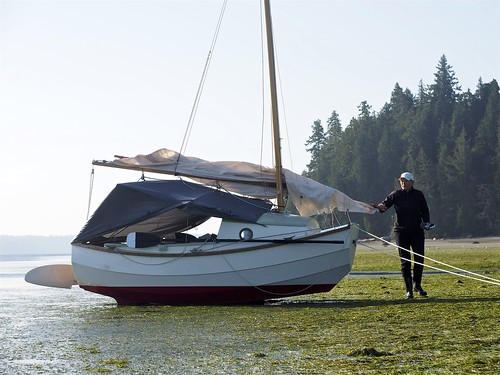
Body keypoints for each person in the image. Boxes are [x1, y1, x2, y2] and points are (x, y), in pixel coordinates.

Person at [373, 172, 432, 299]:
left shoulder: (419, 195)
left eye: (405, 181)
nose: (403, 183)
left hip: (417, 231)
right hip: (401, 232)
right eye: (401, 181)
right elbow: (384, 207)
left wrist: (426, 222)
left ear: (412, 182)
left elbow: (425, 211)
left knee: (419, 259)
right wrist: (380, 207)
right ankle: (409, 290)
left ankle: (418, 285)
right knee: (405, 261)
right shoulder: (395, 194)